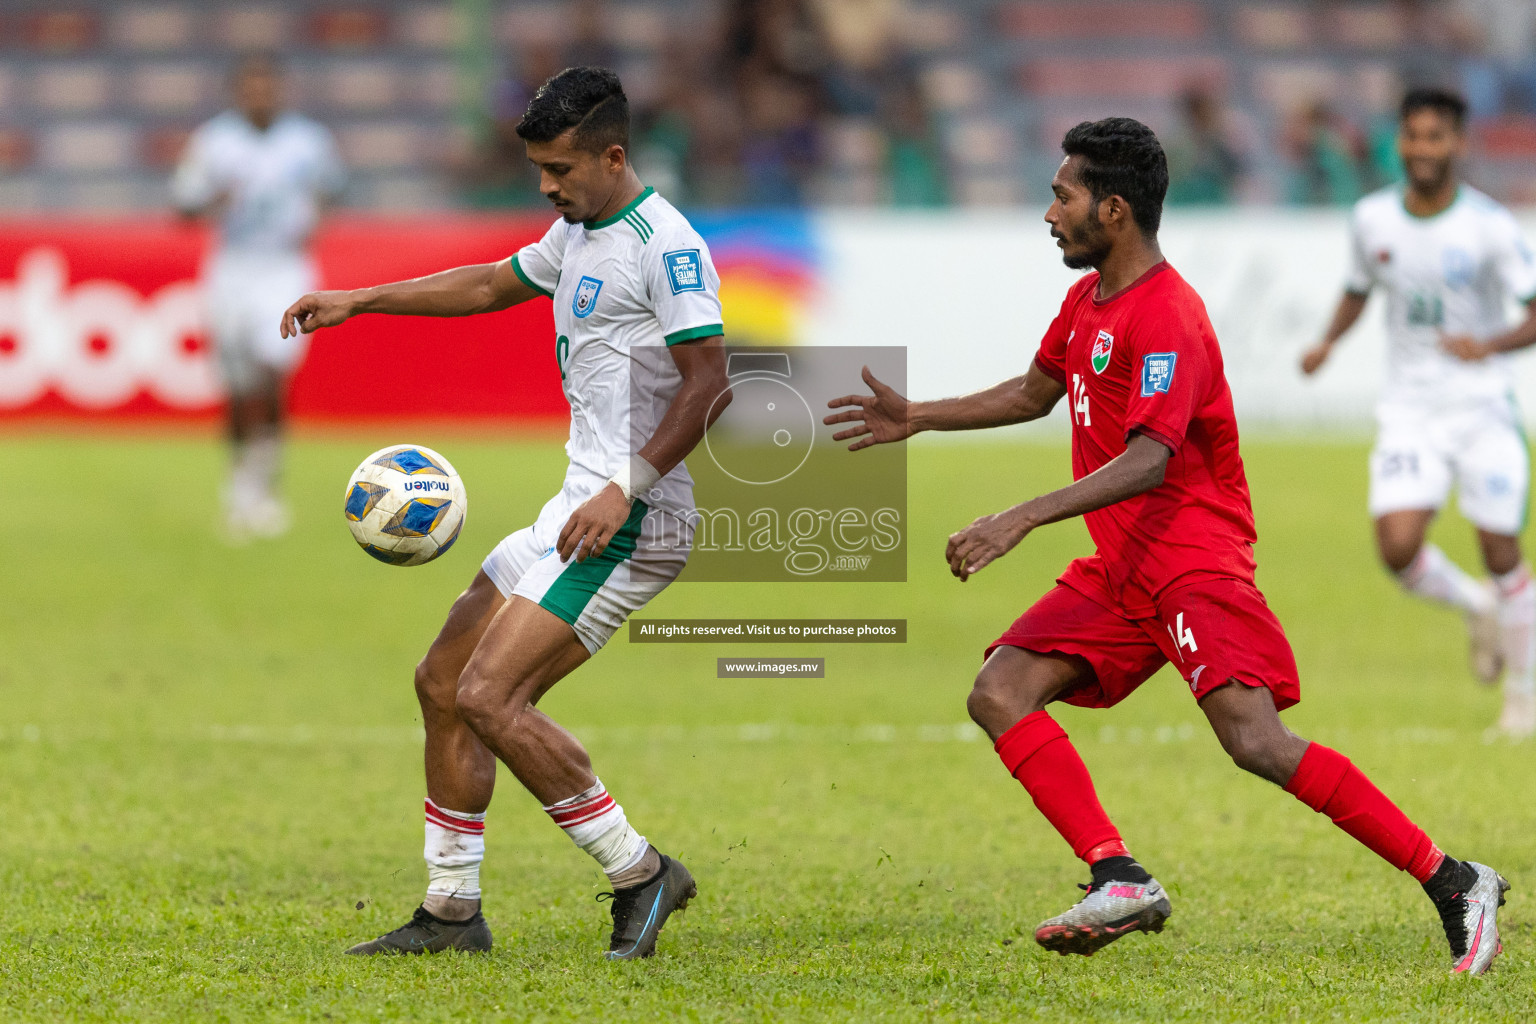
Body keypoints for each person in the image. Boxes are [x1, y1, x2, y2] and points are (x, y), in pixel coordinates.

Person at [824, 117, 1509, 973]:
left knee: (1255, 742)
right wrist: (918, 415)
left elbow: (1150, 459)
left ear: (1112, 210)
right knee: (1001, 689)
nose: (1049, 213)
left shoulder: (1170, 316)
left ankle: (1454, 879)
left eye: (1062, 195)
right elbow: (1037, 392)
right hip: (1123, 566)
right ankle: (1118, 873)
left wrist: (1021, 516)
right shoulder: (1087, 300)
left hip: (1191, 558)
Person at [279, 67, 729, 959]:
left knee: (491, 693)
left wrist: (624, 486)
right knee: (443, 682)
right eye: (537, 168)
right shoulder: (580, 230)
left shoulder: (665, 247)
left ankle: (640, 874)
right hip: (576, 504)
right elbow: (490, 284)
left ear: (613, 154)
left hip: (633, 519)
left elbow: (711, 385)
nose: (545, 187)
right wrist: (361, 300)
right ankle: (452, 912)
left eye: (560, 169)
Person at [1301, 88, 1536, 739]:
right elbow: (1358, 288)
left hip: (1482, 406)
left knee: (1500, 549)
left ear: (1458, 143)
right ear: (1399, 141)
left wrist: (1486, 344)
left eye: (1435, 137)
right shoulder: (1373, 218)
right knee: (1398, 546)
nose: (1422, 148)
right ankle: (1476, 606)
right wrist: (1326, 341)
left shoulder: (1488, 226)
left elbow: (1534, 312)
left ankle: (1522, 701)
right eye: (1412, 135)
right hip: (1410, 409)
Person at [172, 53, 345, 540]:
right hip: (232, 267)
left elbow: (334, 188)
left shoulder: (308, 141)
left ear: (280, 90)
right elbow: (182, 206)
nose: (260, 94)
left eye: (268, 86)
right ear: (238, 92)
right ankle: (237, 485)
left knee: (273, 371)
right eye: (251, 87)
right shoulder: (214, 141)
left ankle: (263, 488)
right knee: (237, 386)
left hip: (283, 267)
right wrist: (213, 201)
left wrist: (314, 212)